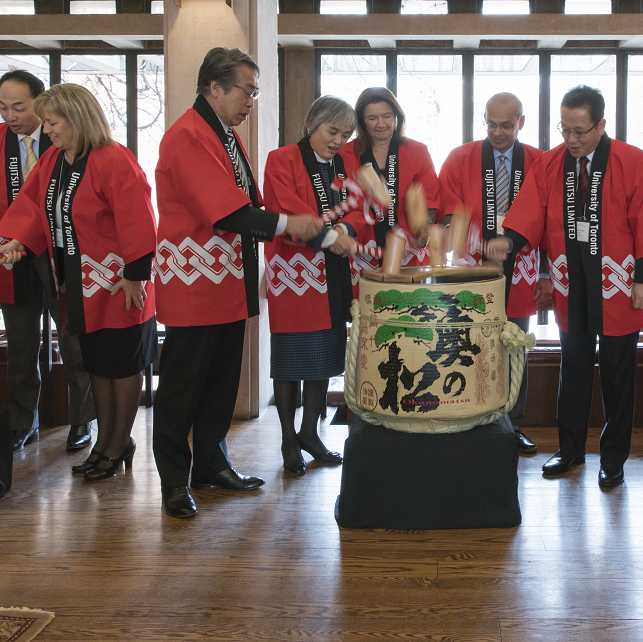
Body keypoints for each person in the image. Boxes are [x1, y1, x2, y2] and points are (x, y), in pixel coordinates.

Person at [152, 47, 322, 520]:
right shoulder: (188, 137)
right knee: (182, 388)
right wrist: (292, 224)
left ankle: (210, 465)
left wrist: (304, 219)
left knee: (222, 382)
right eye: (246, 90)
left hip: (226, 280)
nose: (251, 100)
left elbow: (250, 199)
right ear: (214, 87)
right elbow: (226, 211)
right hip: (194, 281)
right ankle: (172, 482)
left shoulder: (223, 134)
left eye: (254, 90)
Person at [486, 85, 643, 489]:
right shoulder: (552, 164)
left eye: (580, 131)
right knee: (573, 370)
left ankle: (613, 459)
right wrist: (510, 241)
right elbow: (530, 212)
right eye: (564, 129)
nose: (571, 139)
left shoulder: (631, 161)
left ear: (601, 125)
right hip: (573, 285)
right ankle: (570, 450)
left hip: (620, 285)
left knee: (619, 375)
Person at [0, 83, 157, 482]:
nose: (46, 130)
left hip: (120, 282)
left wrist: (136, 274)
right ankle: (106, 442)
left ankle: (119, 443)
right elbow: (34, 209)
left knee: (122, 366)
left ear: (78, 119)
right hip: (79, 285)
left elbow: (138, 216)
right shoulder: (54, 160)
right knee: (96, 364)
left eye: (52, 122)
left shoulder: (113, 158)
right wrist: (17, 240)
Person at [0, 69, 96, 453]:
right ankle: (23, 421)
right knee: (20, 343)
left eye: (19, 106)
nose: (10, 115)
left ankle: (81, 421)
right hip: (12, 255)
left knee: (72, 341)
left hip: (60, 254)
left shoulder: (63, 140)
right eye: (3, 107)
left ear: (40, 102)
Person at [439, 92, 549, 454]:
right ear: (482, 119)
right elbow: (449, 206)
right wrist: (464, 230)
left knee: (514, 346)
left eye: (506, 125)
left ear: (521, 122)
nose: (498, 132)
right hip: (472, 267)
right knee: (470, 345)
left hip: (522, 268)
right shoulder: (461, 157)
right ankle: (470, 418)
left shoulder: (538, 161)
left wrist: (546, 272)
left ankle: (513, 424)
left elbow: (548, 219)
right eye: (491, 124)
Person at [263, 96, 367, 476]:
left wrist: (345, 229)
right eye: (332, 131)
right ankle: (289, 437)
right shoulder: (282, 159)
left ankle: (310, 432)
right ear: (311, 125)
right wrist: (327, 235)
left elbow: (361, 206)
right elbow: (283, 206)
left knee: (325, 352)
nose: (339, 141)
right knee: (291, 358)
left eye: (345, 134)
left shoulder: (346, 165)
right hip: (296, 273)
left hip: (335, 272)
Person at [341, 87, 439, 267]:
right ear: (361, 122)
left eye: (386, 116)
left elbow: (431, 197)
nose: (381, 124)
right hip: (359, 251)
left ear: (396, 117)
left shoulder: (418, 152)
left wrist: (424, 228)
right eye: (372, 118)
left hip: (408, 251)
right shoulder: (344, 154)